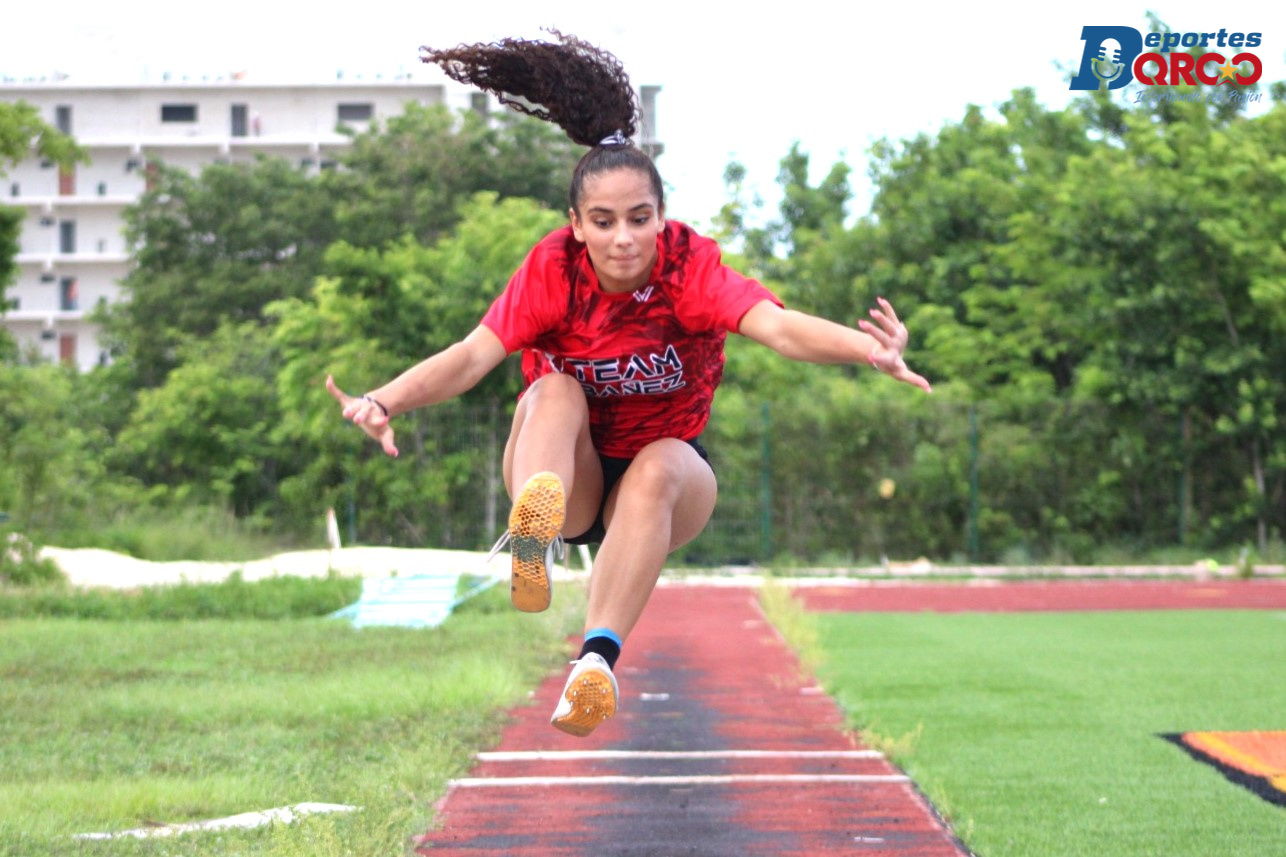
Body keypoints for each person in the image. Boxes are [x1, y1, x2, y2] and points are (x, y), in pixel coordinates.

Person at [327, 30, 931, 738]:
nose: (624, 239)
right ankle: (535, 534)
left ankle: (595, 663)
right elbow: (469, 357)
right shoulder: (553, 270)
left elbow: (778, 325)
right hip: (568, 468)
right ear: (575, 225)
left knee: (662, 461)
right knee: (554, 390)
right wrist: (384, 399)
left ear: (661, 218)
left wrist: (869, 350)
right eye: (605, 222)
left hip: (668, 483)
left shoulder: (689, 269)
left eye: (640, 219)